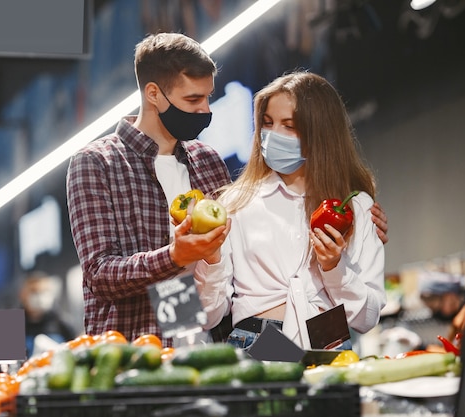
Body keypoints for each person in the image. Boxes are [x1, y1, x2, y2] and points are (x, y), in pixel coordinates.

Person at [67, 33, 389, 347]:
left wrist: (359, 222)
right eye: (193, 99)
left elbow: (227, 264)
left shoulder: (207, 161)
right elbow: (99, 273)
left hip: (210, 344)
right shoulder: (98, 162)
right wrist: (175, 256)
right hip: (137, 343)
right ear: (153, 94)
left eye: (208, 97)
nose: (206, 110)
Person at [194, 70, 386, 350]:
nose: (273, 135)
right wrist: (211, 261)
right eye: (268, 123)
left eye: (289, 125)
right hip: (258, 340)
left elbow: (367, 319)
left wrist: (334, 268)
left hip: (328, 341)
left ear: (320, 132)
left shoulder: (357, 208)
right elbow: (209, 315)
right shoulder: (236, 204)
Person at [19, 271, 76, 355]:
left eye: (45, 291)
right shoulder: (7, 326)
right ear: (23, 294)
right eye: (34, 292)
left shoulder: (63, 324)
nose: (40, 297)